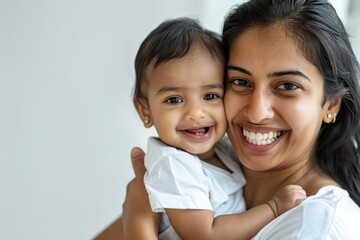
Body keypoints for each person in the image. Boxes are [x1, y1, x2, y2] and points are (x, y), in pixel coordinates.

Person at [95, 0, 360, 239]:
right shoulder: (203, 168)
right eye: (241, 81)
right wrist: (140, 208)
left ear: (331, 104)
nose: (257, 112)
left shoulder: (315, 226)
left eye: (287, 86)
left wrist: (138, 219)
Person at [132, 17, 306, 240]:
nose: (195, 113)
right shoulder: (173, 165)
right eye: (174, 99)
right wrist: (273, 208)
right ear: (145, 111)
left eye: (210, 96)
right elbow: (206, 234)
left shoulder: (222, 148)